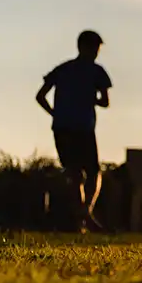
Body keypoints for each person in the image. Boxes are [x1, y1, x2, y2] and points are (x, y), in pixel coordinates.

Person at [36, 30, 112, 232]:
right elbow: (105, 102)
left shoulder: (63, 69)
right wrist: (90, 98)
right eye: (94, 48)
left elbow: (40, 96)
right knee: (92, 172)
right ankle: (85, 212)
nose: (96, 52)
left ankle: (82, 216)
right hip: (82, 128)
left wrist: (55, 113)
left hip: (63, 127)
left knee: (74, 173)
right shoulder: (97, 72)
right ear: (84, 47)